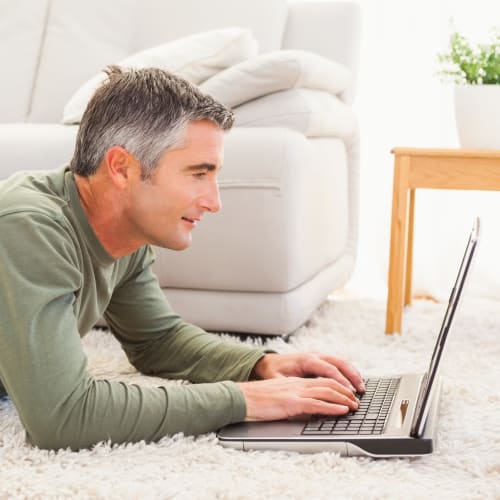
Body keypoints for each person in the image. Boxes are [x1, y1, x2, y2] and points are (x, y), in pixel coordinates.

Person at [0, 66, 365, 451]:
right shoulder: (28, 226)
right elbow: (63, 417)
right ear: (122, 168)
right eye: (198, 174)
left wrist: (259, 365)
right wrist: (243, 400)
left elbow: (157, 340)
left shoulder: (127, 234)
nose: (214, 201)